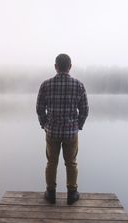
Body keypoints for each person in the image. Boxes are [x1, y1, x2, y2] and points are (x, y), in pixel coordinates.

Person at [36, 54, 89, 205]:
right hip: (71, 132)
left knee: (51, 162)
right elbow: (84, 110)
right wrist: (78, 125)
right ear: (70, 66)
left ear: (56, 66)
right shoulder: (78, 85)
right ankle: (72, 194)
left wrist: (44, 124)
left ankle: (50, 193)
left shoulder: (46, 85)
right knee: (71, 163)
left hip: (52, 131)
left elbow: (39, 109)